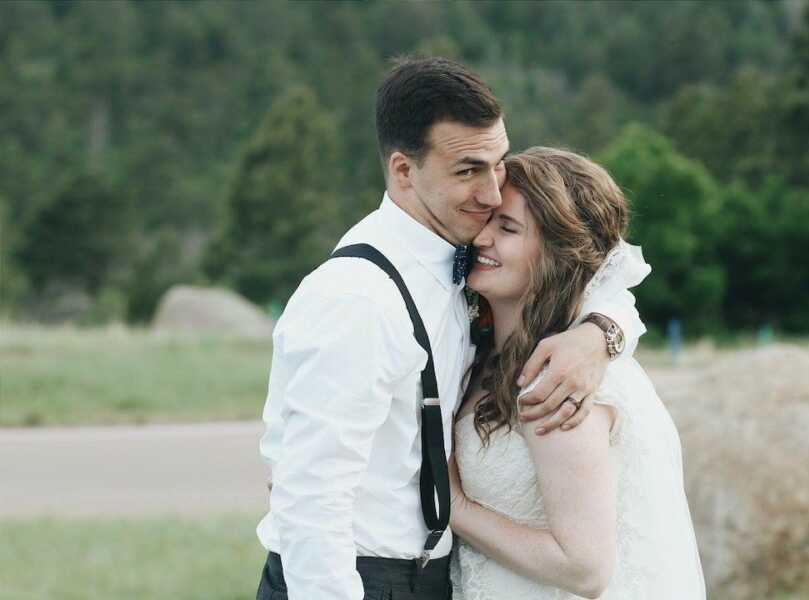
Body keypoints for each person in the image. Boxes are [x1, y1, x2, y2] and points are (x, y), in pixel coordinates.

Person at [254, 58, 645, 600]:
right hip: (358, 580)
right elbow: (312, 500)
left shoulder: (474, 254)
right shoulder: (356, 299)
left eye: (497, 163)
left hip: (439, 579)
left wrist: (600, 333)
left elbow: (604, 267)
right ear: (403, 172)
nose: (491, 194)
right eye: (467, 171)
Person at [448, 147, 706, 599]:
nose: (481, 238)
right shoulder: (487, 347)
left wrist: (454, 507)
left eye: (507, 227)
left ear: (555, 256)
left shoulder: (561, 377)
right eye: (487, 219)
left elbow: (585, 567)